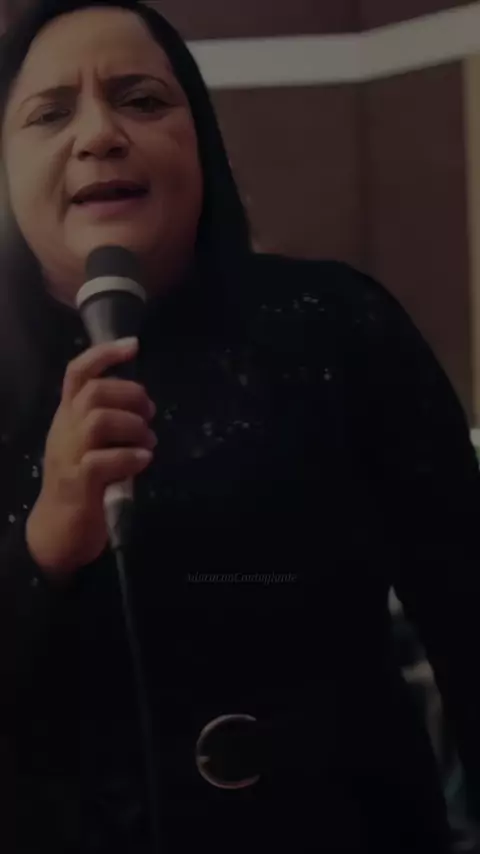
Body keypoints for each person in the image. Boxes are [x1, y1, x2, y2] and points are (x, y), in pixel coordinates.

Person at [0, 1, 479, 852]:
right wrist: (45, 543)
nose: (99, 134)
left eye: (142, 100)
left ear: (202, 142)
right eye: (49, 113)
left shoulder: (334, 326)